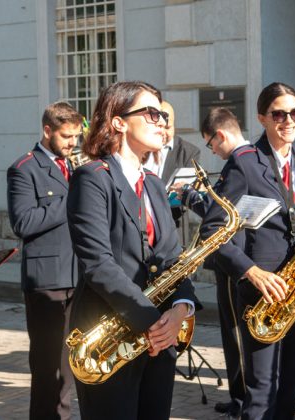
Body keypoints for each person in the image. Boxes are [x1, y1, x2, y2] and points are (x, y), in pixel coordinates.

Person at [200, 82, 295, 420]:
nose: (289, 121)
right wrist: (251, 272)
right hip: (262, 291)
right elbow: (212, 230)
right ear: (262, 118)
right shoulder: (245, 162)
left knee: (290, 386)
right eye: (279, 114)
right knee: (262, 392)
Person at [66, 81, 196, 420]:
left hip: (159, 336)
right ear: (118, 122)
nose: (162, 122)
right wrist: (153, 321)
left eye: (163, 115)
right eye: (152, 113)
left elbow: (173, 258)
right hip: (110, 337)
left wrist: (181, 309)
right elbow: (98, 265)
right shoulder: (92, 178)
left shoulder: (154, 183)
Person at [7, 101, 82, 420]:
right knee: (47, 368)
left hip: (78, 275)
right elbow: (22, 223)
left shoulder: (75, 167)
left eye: (76, 136)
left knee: (69, 366)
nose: (72, 143)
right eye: (66, 136)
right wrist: (72, 199)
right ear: (47, 130)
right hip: (47, 281)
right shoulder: (24, 168)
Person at [198, 107, 252, 417]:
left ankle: (242, 399)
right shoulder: (251, 158)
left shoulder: (238, 164)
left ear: (220, 135)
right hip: (240, 256)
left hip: (233, 258)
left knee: (235, 333)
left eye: (210, 144)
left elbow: (220, 217)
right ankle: (240, 395)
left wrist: (195, 200)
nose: (212, 151)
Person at [143, 100, 201, 246]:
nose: (163, 132)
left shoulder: (188, 152)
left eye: (168, 127)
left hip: (173, 228)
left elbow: (190, 193)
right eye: (159, 126)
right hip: (142, 228)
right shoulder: (141, 148)